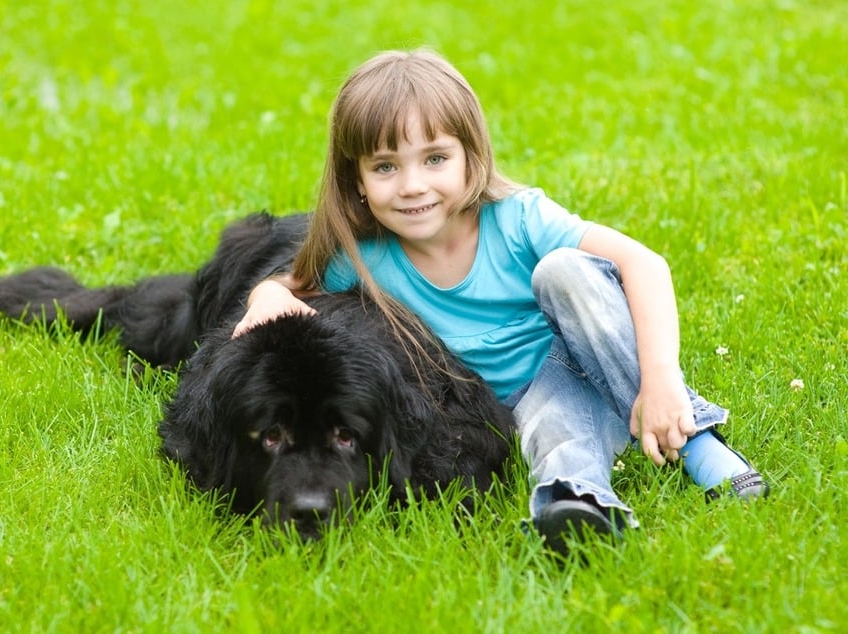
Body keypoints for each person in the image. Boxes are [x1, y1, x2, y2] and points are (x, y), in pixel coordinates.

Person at [232, 48, 768, 556]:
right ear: (357, 181)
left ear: (472, 156)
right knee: (555, 437)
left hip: (585, 350)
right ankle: (577, 507)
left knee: (564, 270)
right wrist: (264, 298)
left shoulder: (516, 219)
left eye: (435, 158)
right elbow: (289, 285)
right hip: (530, 399)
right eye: (386, 167)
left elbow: (644, 265)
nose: (413, 186)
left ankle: (695, 438)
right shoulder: (362, 257)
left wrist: (661, 379)